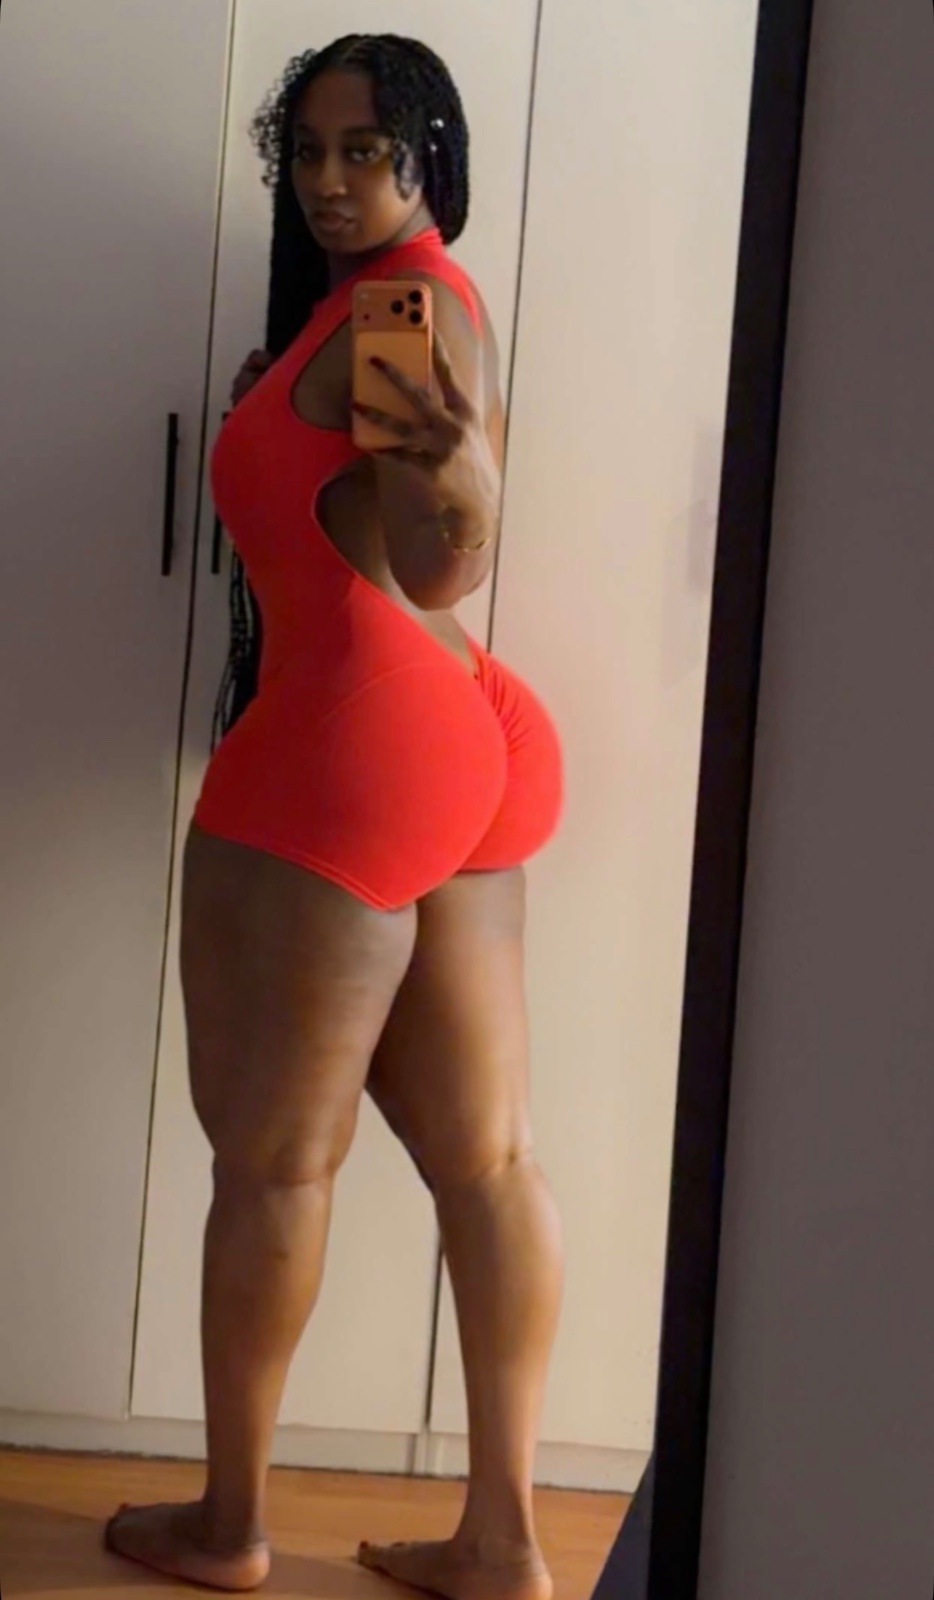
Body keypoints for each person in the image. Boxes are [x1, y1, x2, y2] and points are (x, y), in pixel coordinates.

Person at [105, 34, 564, 1597]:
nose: (327, 179)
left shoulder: (394, 308)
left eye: (365, 149)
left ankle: (230, 1525)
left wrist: (472, 493)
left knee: (274, 1166)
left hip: (358, 739)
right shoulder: (386, 301)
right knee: (488, 1162)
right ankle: (501, 1541)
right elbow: (408, 545)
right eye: (305, 151)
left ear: (430, 154)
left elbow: (431, 562)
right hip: (466, 731)